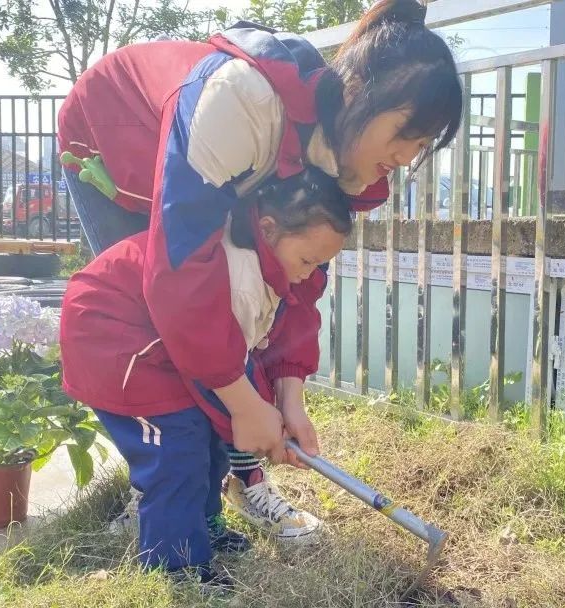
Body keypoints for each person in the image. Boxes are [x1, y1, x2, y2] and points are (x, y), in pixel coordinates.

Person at [57, 0, 461, 549]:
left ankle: (233, 484)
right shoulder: (241, 102)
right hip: (117, 138)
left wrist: (287, 398)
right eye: (408, 132)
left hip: (213, 165)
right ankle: (163, 493)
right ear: (358, 92)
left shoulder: (339, 160)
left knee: (239, 312)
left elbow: (292, 286)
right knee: (162, 328)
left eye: (423, 144)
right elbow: (180, 276)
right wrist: (247, 406)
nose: (410, 156)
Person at [61, 169, 352, 586]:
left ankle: (203, 523)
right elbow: (216, 373)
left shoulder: (269, 269)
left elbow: (241, 365)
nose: (311, 273)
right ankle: (175, 567)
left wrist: (271, 415)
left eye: (320, 264)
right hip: (116, 342)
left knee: (213, 434)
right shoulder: (240, 281)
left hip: (170, 343)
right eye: (307, 260)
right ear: (268, 230)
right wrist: (257, 432)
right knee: (177, 452)